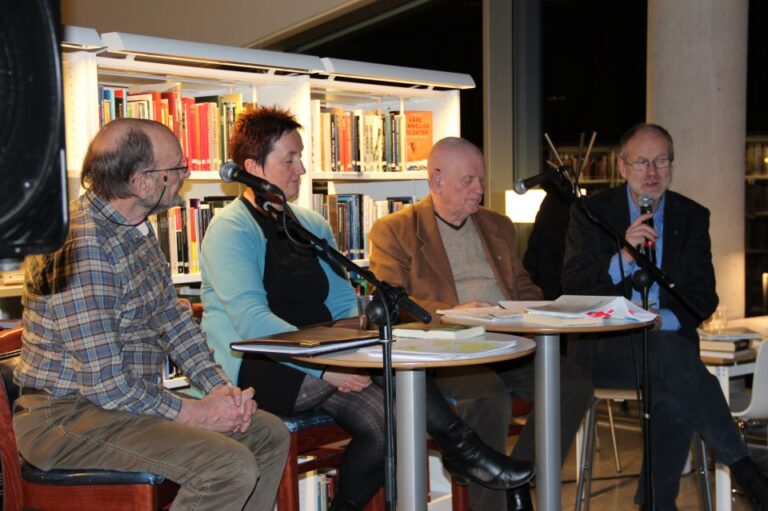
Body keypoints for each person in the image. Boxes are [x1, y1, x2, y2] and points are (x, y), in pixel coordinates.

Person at [199, 106, 535, 511]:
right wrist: (327, 367)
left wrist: (363, 341)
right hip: (262, 363)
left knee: (389, 421)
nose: (301, 168)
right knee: (391, 383)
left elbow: (342, 302)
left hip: (320, 351)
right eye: (289, 159)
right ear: (252, 167)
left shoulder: (309, 224)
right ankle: (465, 450)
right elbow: (253, 322)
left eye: (301, 156)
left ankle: (369, 496)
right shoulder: (230, 229)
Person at [13, 118, 290, 511]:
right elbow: (106, 384)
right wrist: (194, 413)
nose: (185, 174)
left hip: (118, 410)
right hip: (66, 419)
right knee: (226, 465)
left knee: (268, 433)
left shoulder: (133, 230)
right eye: (177, 167)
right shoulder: (80, 246)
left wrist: (219, 390)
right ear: (143, 183)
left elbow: (173, 322)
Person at [368, 136, 594, 511]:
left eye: (482, 180)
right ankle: (491, 502)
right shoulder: (395, 230)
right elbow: (394, 303)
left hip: (506, 340)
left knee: (573, 384)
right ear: (436, 180)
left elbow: (522, 285)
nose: (479, 190)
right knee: (487, 398)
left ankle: (517, 477)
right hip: (447, 347)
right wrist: (456, 311)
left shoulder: (497, 225)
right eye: (468, 181)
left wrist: (536, 309)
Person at [562, 122, 768, 510]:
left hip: (668, 351)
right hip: (604, 350)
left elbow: (703, 298)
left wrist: (662, 321)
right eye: (642, 163)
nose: (652, 173)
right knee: (674, 359)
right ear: (622, 167)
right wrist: (623, 257)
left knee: (674, 389)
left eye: (661, 162)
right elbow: (573, 286)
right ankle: (745, 468)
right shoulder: (590, 213)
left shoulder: (692, 216)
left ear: (672, 165)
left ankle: (657, 505)